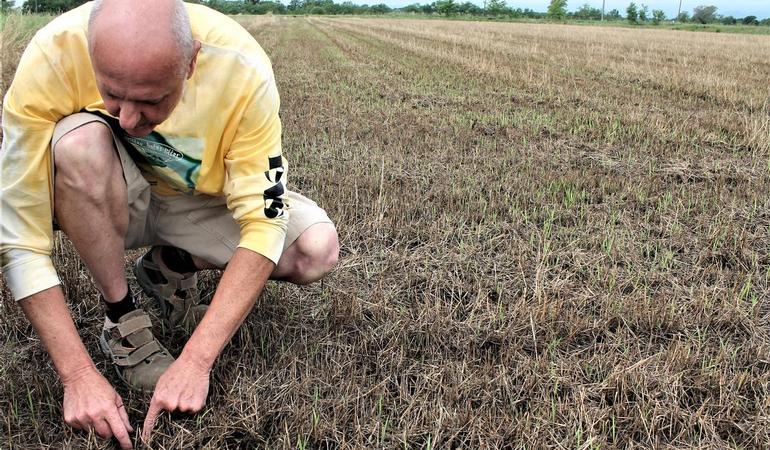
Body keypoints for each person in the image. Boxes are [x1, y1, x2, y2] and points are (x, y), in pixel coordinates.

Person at [0, 0, 339, 448]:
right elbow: (18, 237)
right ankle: (122, 319)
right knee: (78, 143)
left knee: (314, 249)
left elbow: (264, 222)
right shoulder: (53, 54)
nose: (128, 119)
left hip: (197, 200)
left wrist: (195, 361)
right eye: (112, 94)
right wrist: (78, 374)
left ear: (192, 60)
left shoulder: (243, 69)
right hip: (108, 196)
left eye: (151, 100)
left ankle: (170, 266)